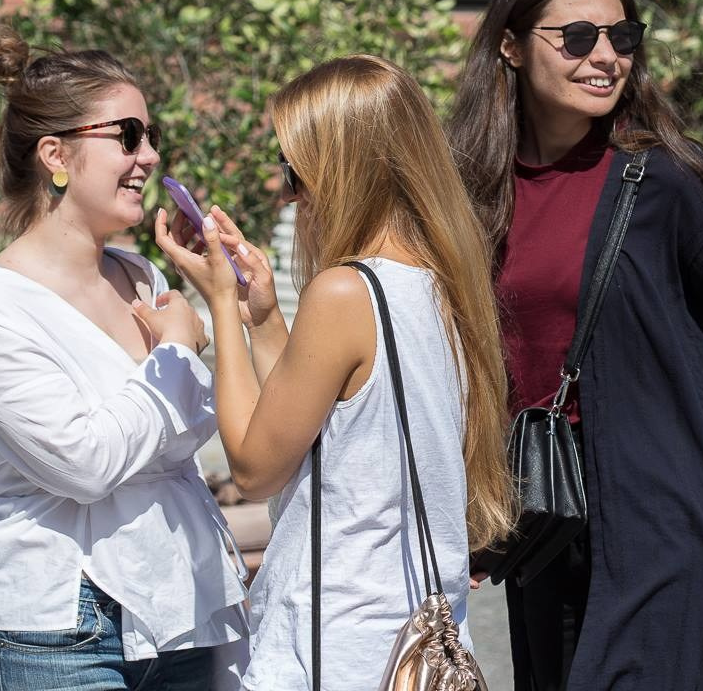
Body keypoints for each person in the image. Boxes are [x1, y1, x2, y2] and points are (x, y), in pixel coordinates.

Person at [448, 0, 703, 690]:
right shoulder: (476, 188)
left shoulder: (666, 182)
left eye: (622, 37)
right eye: (577, 37)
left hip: (660, 514)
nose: (605, 56)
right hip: (543, 515)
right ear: (512, 48)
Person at [142, 55, 515, 690]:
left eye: (293, 171)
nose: (286, 193)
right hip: (414, 639)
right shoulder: (441, 282)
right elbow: (337, 415)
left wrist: (220, 314)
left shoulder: (344, 292)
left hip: (335, 644)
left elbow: (257, 466)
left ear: (339, 170)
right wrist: (260, 314)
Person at [0, 25, 249, 690]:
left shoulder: (142, 276)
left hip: (178, 608)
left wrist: (236, 308)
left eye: (151, 135)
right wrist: (174, 353)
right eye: (127, 136)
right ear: (55, 154)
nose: (148, 156)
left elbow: (194, 444)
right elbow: (82, 465)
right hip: (58, 628)